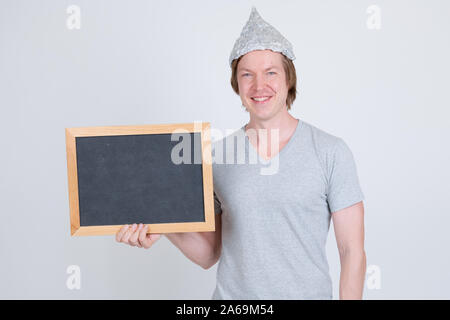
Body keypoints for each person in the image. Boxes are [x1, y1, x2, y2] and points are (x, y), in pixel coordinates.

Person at [115, 7, 366, 300]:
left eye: (270, 72)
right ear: (237, 84)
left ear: (288, 80)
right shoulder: (217, 157)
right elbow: (209, 253)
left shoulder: (330, 152)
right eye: (248, 75)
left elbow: (352, 252)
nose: (259, 86)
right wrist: (161, 223)